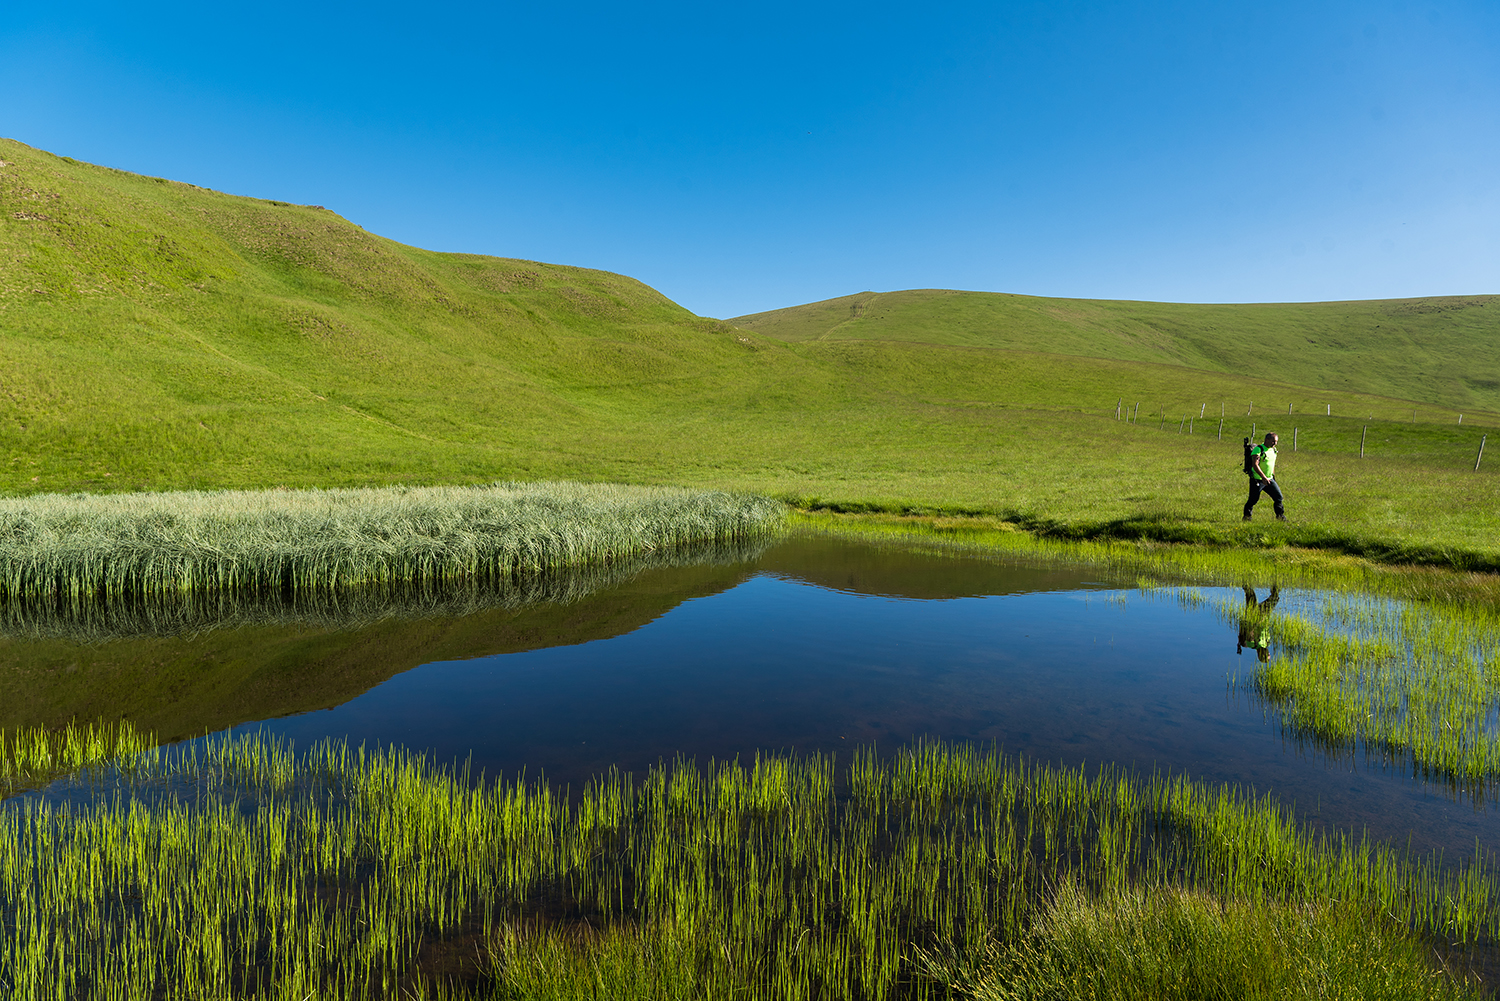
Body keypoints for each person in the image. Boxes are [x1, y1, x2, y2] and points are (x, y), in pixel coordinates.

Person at [1243, 431, 1286, 522]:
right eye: (1273, 441)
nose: (1275, 443)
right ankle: (1247, 517)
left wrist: (1273, 477)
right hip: (1257, 480)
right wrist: (1263, 477)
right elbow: (1255, 465)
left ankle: (1280, 516)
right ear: (1267, 440)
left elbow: (1271, 464)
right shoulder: (1258, 449)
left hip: (1269, 479)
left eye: (1276, 441)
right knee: (1253, 500)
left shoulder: (1273, 450)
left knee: (1278, 497)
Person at [1236, 584, 1280, 662]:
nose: (1268, 653)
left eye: (1267, 655)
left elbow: (1251, 629)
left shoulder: (1251, 644)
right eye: (1269, 654)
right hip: (1263, 614)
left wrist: (1260, 620)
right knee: (1275, 598)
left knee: (1250, 594)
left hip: (1252, 615)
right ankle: (1275, 581)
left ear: (1261, 655)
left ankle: (1244, 577)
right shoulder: (1266, 643)